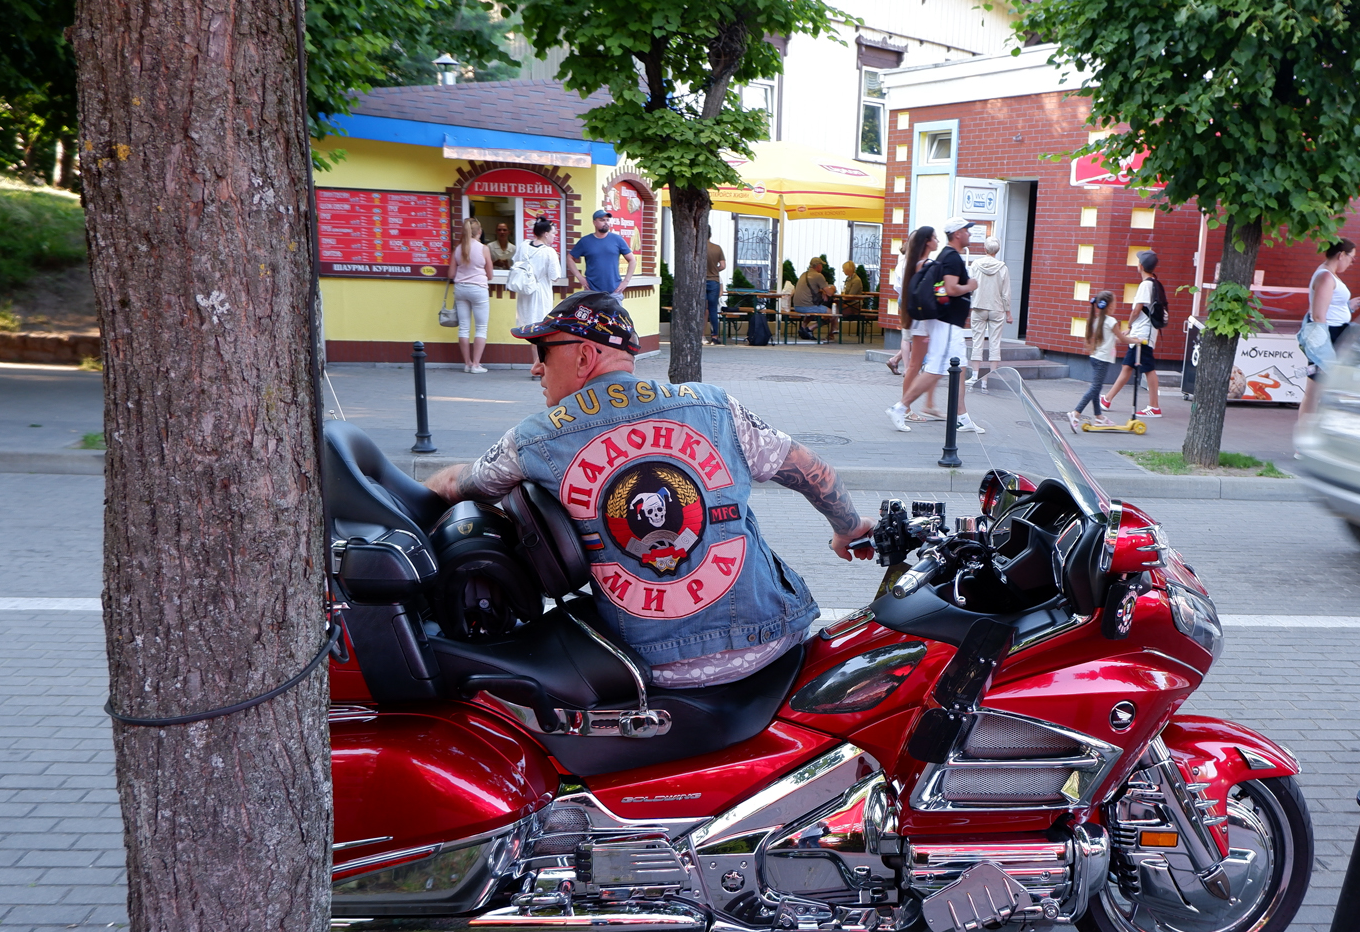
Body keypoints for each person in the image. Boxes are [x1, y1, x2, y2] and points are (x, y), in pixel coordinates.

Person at [422, 290, 874, 688]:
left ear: (583, 356)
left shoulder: (534, 438)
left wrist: (403, 499)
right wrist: (849, 529)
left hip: (649, 665)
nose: (537, 366)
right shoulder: (713, 405)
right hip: (769, 641)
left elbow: (460, 484)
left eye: (542, 349)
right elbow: (811, 470)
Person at [898, 219, 986, 434]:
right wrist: (970, 287)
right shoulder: (947, 258)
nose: (969, 235)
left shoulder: (938, 259)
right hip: (940, 322)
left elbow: (939, 290)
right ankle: (901, 407)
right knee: (931, 368)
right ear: (957, 233)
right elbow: (949, 289)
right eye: (966, 231)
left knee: (953, 368)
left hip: (938, 320)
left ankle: (959, 416)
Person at [1104, 250, 1168, 417]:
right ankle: (1107, 399)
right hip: (1143, 333)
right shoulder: (1155, 283)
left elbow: (1136, 310)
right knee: (1127, 366)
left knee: (1149, 369)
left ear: (1140, 266)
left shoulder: (1145, 285)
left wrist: (1130, 325)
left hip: (1143, 335)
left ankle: (1154, 407)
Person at [882, 226, 936, 419]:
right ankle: (905, 407)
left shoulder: (907, 263)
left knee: (919, 363)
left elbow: (899, 287)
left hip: (911, 310)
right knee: (917, 365)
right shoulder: (920, 264)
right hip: (919, 316)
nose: (937, 240)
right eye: (934, 238)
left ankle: (921, 404)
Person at [1298, 238, 1357, 372]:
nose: (1352, 263)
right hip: (1329, 334)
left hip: (1332, 332)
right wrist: (1325, 352)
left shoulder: (1328, 274)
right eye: (1352, 258)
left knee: (1324, 383)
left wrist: (1348, 306)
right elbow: (1318, 316)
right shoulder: (1326, 276)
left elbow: (1328, 305)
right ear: (1341, 255)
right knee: (1319, 383)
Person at [1070, 293, 1124, 428]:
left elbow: (1113, 339)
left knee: (1096, 388)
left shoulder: (1097, 320)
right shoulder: (1111, 321)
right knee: (1095, 388)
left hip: (1095, 358)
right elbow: (1123, 340)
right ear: (1110, 306)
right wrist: (1137, 340)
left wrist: (1124, 335)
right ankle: (1076, 413)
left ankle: (1099, 417)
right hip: (1102, 359)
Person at [966, 237, 1012, 388]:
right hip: (997, 308)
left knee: (977, 340)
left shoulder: (976, 265)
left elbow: (970, 285)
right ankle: (991, 375)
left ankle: (974, 375)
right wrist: (1008, 313)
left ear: (985, 249)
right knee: (994, 342)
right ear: (996, 251)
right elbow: (1006, 293)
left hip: (979, 306)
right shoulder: (1002, 268)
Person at [448, 217, 492, 373]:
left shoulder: (458, 248)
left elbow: (451, 273)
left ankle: (467, 364)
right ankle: (476, 364)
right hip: (478, 289)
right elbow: (490, 274)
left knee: (464, 328)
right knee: (481, 327)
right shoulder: (483, 249)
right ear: (479, 232)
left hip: (461, 289)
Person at [511, 217, 563, 329]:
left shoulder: (524, 245)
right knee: (539, 326)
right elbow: (555, 277)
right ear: (546, 234)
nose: (555, 235)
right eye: (553, 233)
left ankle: (532, 347)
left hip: (525, 290)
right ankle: (536, 347)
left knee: (527, 326)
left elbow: (516, 262)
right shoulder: (549, 252)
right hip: (541, 293)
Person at [569, 210, 632, 294]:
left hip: (614, 291)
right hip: (591, 291)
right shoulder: (585, 241)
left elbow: (632, 260)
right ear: (594, 222)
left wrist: (626, 281)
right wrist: (580, 277)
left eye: (607, 220)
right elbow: (569, 258)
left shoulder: (617, 239)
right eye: (602, 220)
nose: (605, 222)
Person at [791, 256, 836, 340]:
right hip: (807, 306)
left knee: (813, 310)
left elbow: (811, 288)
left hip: (796, 306)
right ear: (818, 266)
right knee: (832, 314)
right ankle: (810, 329)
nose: (822, 267)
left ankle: (803, 328)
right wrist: (833, 288)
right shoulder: (818, 276)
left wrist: (822, 291)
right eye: (821, 265)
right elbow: (830, 293)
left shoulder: (803, 274)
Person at [704, 239, 727, 345]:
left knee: (702, 309)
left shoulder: (698, 248)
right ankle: (714, 336)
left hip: (702, 281)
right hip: (714, 281)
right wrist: (714, 270)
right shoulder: (717, 248)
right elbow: (722, 265)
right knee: (713, 310)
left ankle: (701, 336)